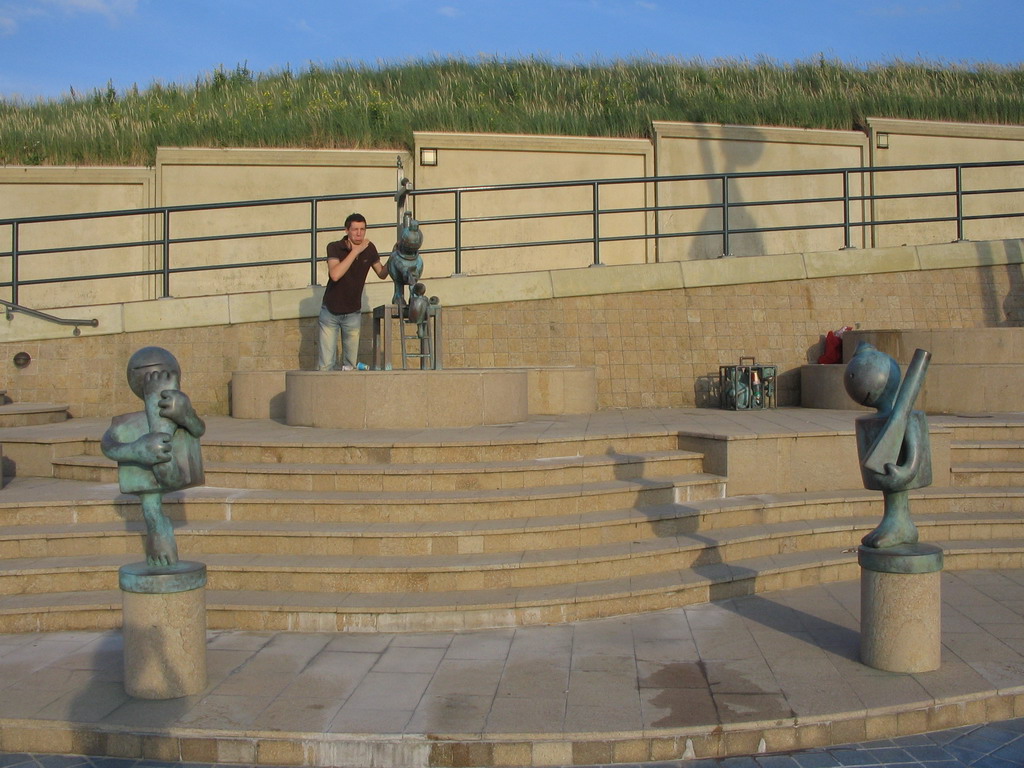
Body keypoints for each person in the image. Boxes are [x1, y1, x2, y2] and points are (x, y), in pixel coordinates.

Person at [101, 346, 205, 567]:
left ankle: (156, 521)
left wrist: (186, 416)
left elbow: (198, 429)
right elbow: (108, 445)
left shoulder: (177, 405)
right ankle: (155, 521)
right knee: (150, 498)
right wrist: (136, 450)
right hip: (149, 475)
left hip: (174, 470)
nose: (150, 377)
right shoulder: (126, 424)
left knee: (164, 464)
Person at [317, 213, 388, 371]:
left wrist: (395, 255)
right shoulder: (334, 247)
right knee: (327, 364)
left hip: (353, 312)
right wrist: (355, 251)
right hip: (330, 311)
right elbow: (335, 275)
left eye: (362, 229)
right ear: (346, 230)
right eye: (355, 229)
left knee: (350, 365)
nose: (359, 233)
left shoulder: (369, 249)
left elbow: (382, 273)